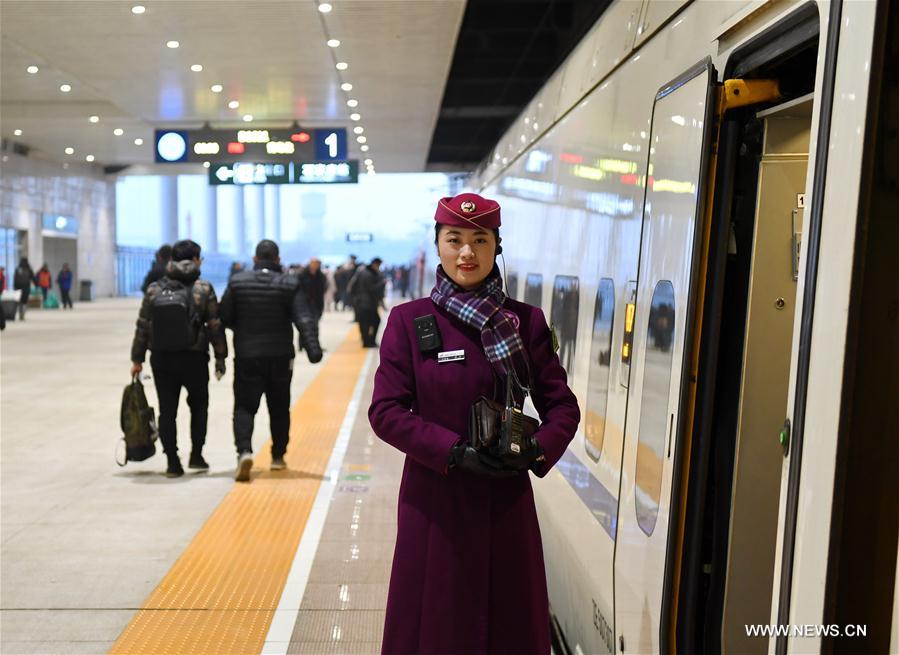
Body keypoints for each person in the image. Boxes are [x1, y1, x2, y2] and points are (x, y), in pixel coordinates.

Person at [368, 192, 580, 654]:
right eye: (455, 239)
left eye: (479, 240)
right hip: (435, 504)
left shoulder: (525, 322)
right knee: (436, 625)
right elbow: (385, 411)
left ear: (496, 246)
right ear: (439, 244)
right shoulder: (409, 321)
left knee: (507, 626)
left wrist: (537, 450)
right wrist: (452, 451)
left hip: (506, 502)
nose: (467, 252)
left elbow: (562, 406)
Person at [219, 240, 323, 482]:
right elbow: (304, 318)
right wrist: (313, 349)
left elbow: (224, 316)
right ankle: (277, 457)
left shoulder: (238, 282)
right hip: (280, 357)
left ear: (255, 260)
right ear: (278, 260)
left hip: (247, 355)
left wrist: (243, 330)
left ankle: (244, 451)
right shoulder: (289, 283)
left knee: (245, 406)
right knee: (279, 408)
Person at [129, 239, 228, 478]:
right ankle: (196, 455)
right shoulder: (203, 288)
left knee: (167, 410)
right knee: (199, 407)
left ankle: (173, 462)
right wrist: (220, 357)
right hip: (194, 358)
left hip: (162, 358)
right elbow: (215, 325)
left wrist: (137, 359)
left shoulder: (154, 289)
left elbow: (143, 325)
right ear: (195, 260)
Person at [348, 257, 385, 348]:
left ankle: (367, 341)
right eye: (378, 265)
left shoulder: (362, 272)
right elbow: (371, 289)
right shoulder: (368, 274)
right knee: (371, 322)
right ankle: (368, 341)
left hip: (362, 302)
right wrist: (382, 284)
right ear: (375, 264)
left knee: (365, 322)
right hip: (367, 303)